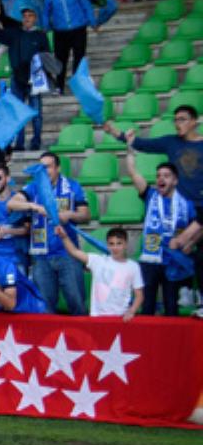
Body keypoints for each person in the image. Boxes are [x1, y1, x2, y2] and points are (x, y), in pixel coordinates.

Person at [117, 106, 203, 306]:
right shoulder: (151, 193)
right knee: (185, 250)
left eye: (182, 119)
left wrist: (185, 239)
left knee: (192, 250)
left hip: (192, 220)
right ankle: (189, 290)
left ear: (194, 122)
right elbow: (141, 150)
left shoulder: (186, 203)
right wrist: (122, 138)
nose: (177, 123)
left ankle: (192, 291)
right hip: (156, 250)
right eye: (175, 119)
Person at [10, 153, 91, 312]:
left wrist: (69, 215)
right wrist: (34, 207)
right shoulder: (33, 187)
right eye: (41, 167)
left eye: (47, 167)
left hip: (68, 254)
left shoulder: (73, 187)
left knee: (76, 303)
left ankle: (82, 336)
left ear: (58, 168)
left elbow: (86, 215)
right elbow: (12, 203)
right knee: (45, 307)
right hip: (41, 257)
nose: (44, 171)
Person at [128, 151, 200, 316]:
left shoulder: (187, 203)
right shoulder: (150, 195)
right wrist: (130, 152)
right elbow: (133, 173)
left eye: (166, 176)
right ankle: (146, 341)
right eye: (158, 175)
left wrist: (190, 243)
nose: (161, 179)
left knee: (171, 307)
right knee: (147, 308)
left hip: (173, 261)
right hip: (149, 260)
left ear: (175, 181)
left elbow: (198, 227)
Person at [0, 5, 50, 150]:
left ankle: (36, 141)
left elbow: (48, 56)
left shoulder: (41, 35)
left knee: (36, 112)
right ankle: (19, 143)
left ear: (35, 18)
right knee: (17, 112)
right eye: (25, 16)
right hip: (17, 77)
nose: (27, 18)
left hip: (34, 79)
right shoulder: (14, 33)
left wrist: (44, 74)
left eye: (30, 15)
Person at [57, 226, 144, 319]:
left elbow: (139, 295)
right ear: (107, 245)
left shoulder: (133, 266)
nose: (115, 247)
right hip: (97, 317)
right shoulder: (98, 261)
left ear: (126, 244)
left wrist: (131, 311)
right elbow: (74, 252)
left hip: (121, 317)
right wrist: (64, 237)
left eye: (119, 243)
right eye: (112, 244)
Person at [43, 0, 95, 92]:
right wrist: (46, 26)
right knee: (60, 60)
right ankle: (59, 86)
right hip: (60, 32)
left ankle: (78, 85)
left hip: (78, 29)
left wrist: (93, 21)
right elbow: (45, 12)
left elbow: (86, 5)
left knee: (79, 57)